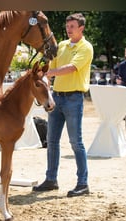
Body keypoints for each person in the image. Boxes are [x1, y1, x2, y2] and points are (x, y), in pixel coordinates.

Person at [32, 13, 93, 197]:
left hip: (74, 98)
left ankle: (83, 183)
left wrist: (48, 74)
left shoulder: (86, 47)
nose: (68, 29)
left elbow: (71, 68)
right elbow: (52, 66)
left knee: (76, 142)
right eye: (68, 26)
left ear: (81, 28)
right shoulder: (63, 46)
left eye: (72, 26)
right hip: (57, 98)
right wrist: (48, 90)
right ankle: (51, 179)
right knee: (51, 141)